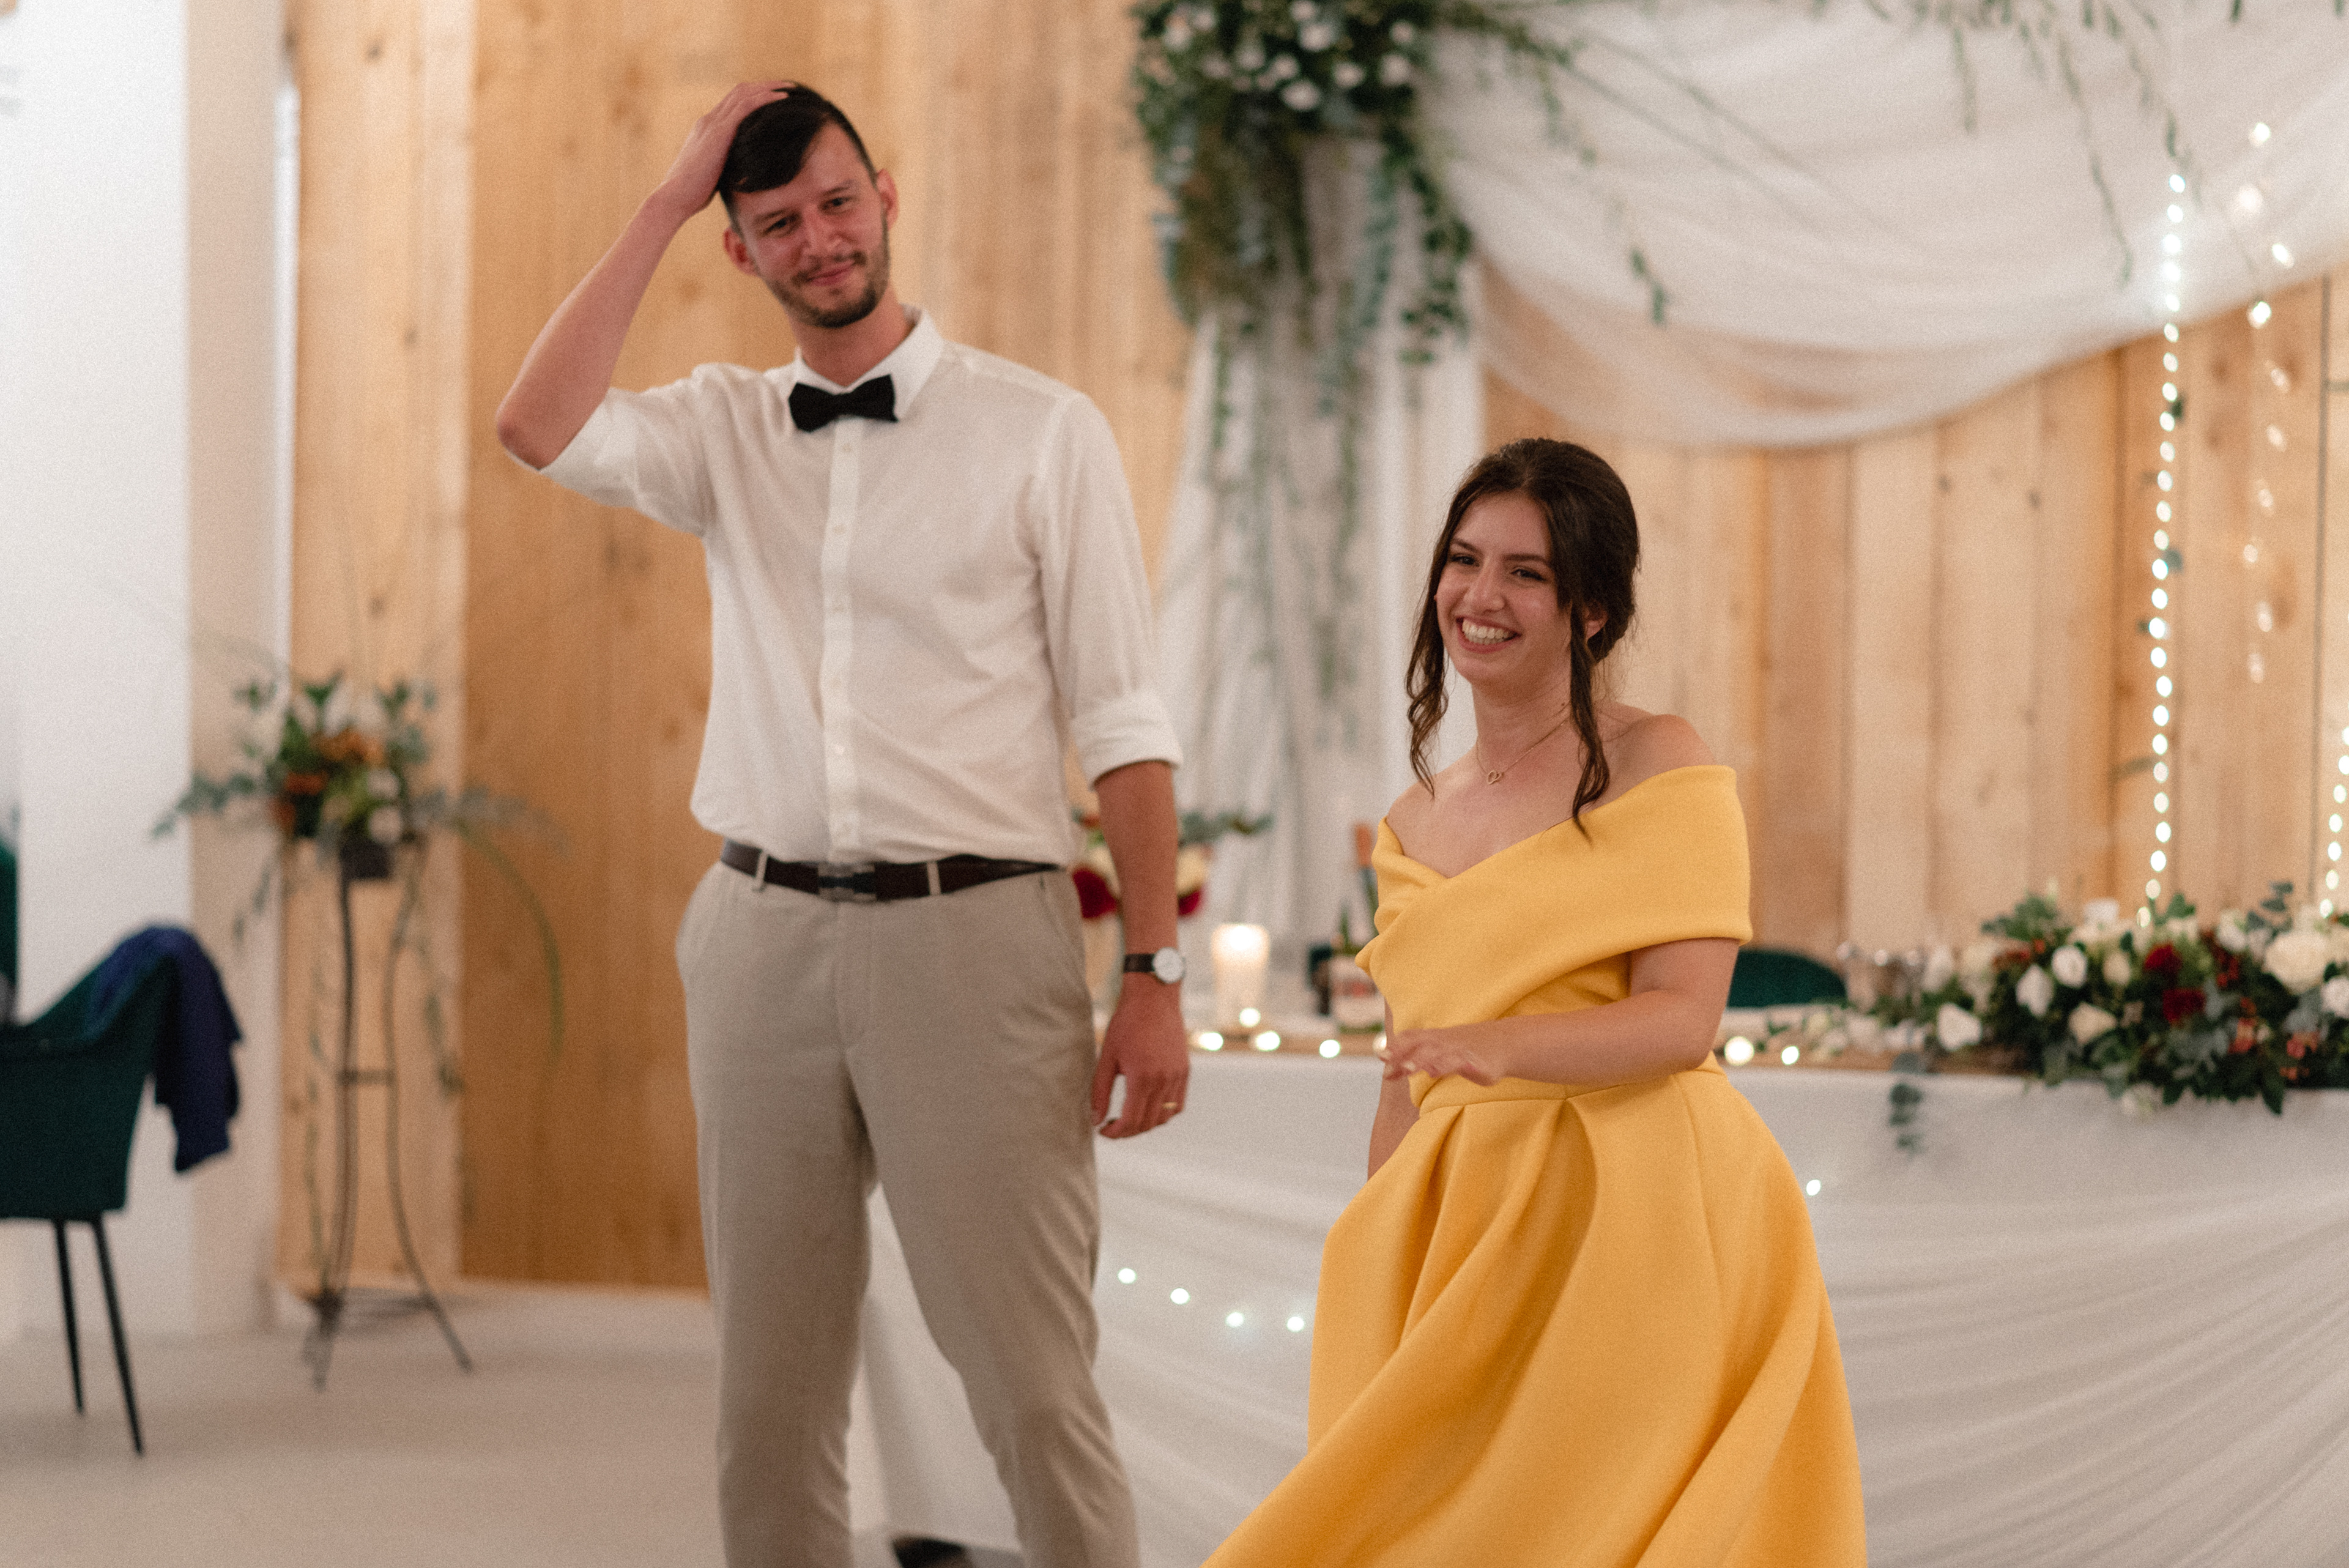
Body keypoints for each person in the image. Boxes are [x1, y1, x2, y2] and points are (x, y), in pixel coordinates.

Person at [495, 81, 1191, 1568]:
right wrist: (664, 200)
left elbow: (1126, 728)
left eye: (835, 202)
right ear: (740, 251)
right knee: (769, 1401)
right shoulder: (721, 427)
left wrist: (1154, 972)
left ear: (885, 194)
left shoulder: (1042, 432)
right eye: (777, 223)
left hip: (977, 941)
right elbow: (535, 424)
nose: (820, 239)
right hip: (759, 940)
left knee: (1030, 1386)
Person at [1206, 439, 1866, 1566]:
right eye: (1464, 561)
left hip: (1641, 1203)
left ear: (1591, 610)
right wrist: (1381, 1241)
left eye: (1526, 573)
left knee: (1594, 1524)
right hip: (1475, 1213)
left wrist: (1500, 1045)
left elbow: (1681, 1020)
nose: (1481, 596)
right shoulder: (1412, 820)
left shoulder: (1660, 758)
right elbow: (1407, 1073)